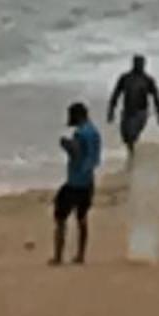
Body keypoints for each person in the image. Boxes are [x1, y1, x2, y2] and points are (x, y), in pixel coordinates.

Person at [52, 101, 102, 265]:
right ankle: (81, 254)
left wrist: (66, 145)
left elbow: (76, 153)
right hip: (88, 181)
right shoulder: (94, 132)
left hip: (74, 181)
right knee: (82, 218)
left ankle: (58, 256)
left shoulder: (80, 134)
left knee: (60, 217)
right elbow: (94, 158)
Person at [106, 53, 159, 162]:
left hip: (141, 112)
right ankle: (132, 152)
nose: (140, 65)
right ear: (133, 64)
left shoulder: (148, 80)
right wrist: (111, 110)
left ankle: (132, 156)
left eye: (141, 64)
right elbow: (116, 94)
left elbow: (156, 97)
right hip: (127, 111)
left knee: (132, 134)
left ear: (144, 65)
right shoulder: (125, 78)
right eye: (137, 63)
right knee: (125, 136)